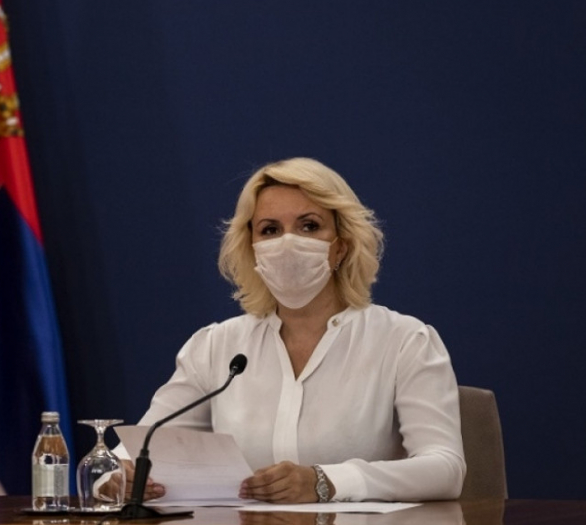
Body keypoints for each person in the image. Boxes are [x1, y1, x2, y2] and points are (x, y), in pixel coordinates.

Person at [124, 157, 465, 503]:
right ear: (252, 248)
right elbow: (135, 452)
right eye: (270, 230)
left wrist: (326, 481)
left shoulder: (404, 341)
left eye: (309, 226)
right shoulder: (216, 347)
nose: (287, 243)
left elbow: (445, 468)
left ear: (341, 246)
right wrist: (117, 480)